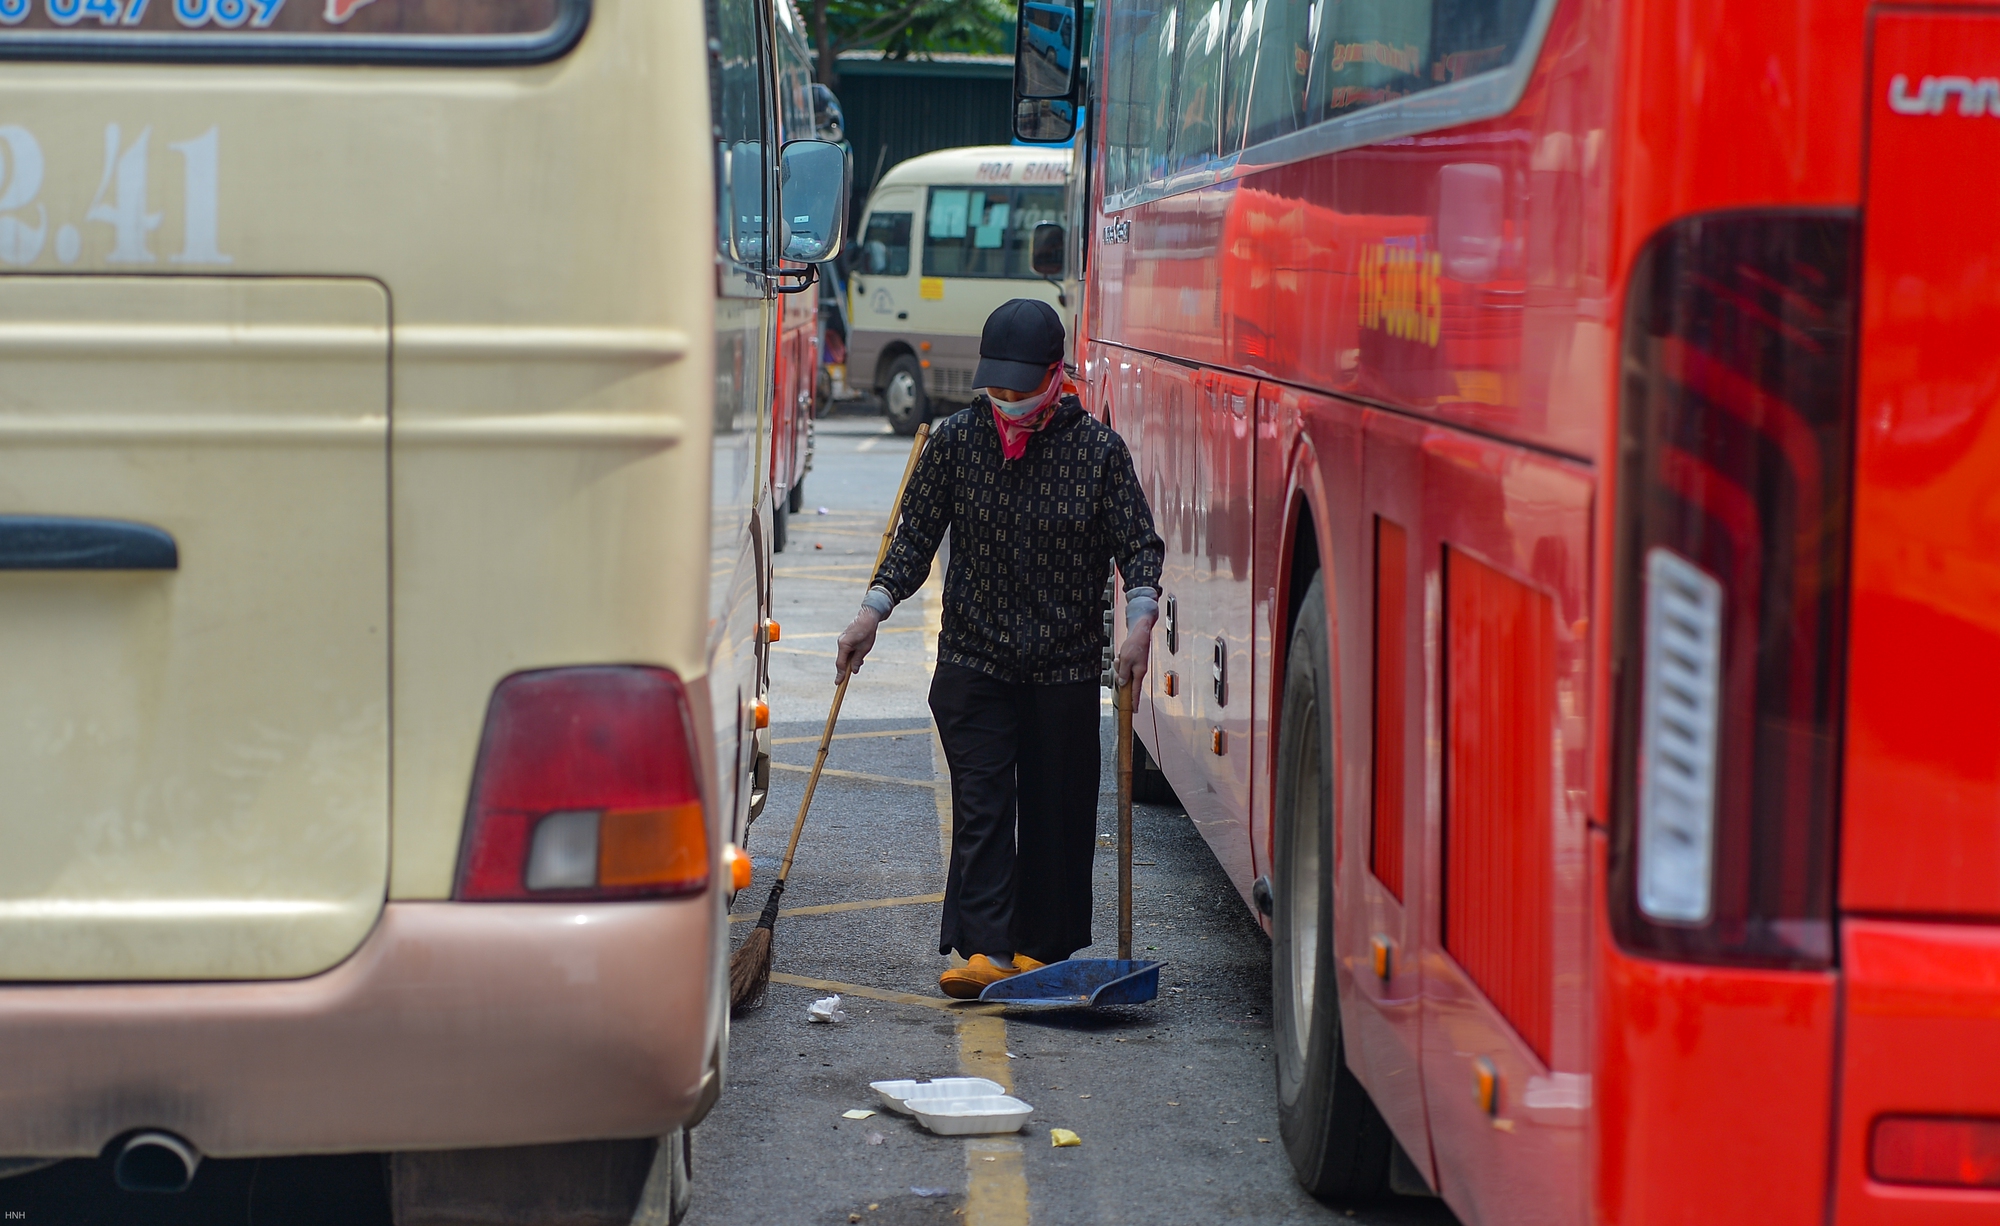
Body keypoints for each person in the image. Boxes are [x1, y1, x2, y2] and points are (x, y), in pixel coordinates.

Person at [835, 298, 1165, 999]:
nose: (1008, 402)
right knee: (983, 804)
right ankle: (984, 949)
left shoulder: (1098, 453)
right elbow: (914, 541)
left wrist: (1139, 621)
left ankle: (1041, 952)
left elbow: (1138, 546)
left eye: (1021, 389)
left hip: (1063, 666)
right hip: (975, 660)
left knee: (1057, 810)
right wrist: (870, 613)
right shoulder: (956, 441)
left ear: (1055, 377)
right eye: (998, 389)